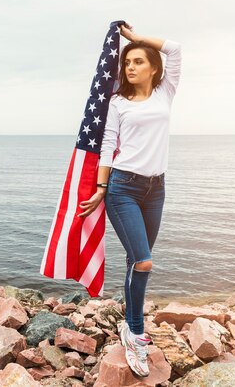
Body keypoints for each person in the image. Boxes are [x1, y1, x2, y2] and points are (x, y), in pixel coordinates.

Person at [77, 22, 182, 377]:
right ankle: (135, 333)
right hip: (123, 188)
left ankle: (127, 321)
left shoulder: (165, 92)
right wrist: (101, 188)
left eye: (138, 61)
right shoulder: (118, 102)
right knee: (144, 261)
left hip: (156, 189)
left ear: (153, 68)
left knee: (135, 262)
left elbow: (175, 49)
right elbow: (108, 146)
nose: (130, 67)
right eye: (127, 62)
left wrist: (136, 38)